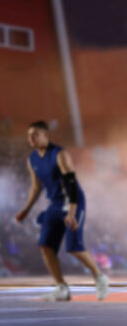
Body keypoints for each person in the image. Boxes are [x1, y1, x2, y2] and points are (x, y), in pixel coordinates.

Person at [14, 120, 110, 301]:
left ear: (45, 135)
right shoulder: (32, 159)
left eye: (35, 134)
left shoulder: (60, 154)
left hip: (73, 202)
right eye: (28, 135)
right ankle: (62, 288)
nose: (31, 138)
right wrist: (26, 210)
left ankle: (100, 277)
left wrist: (72, 212)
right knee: (46, 245)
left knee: (73, 247)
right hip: (55, 204)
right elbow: (36, 187)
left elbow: (71, 184)